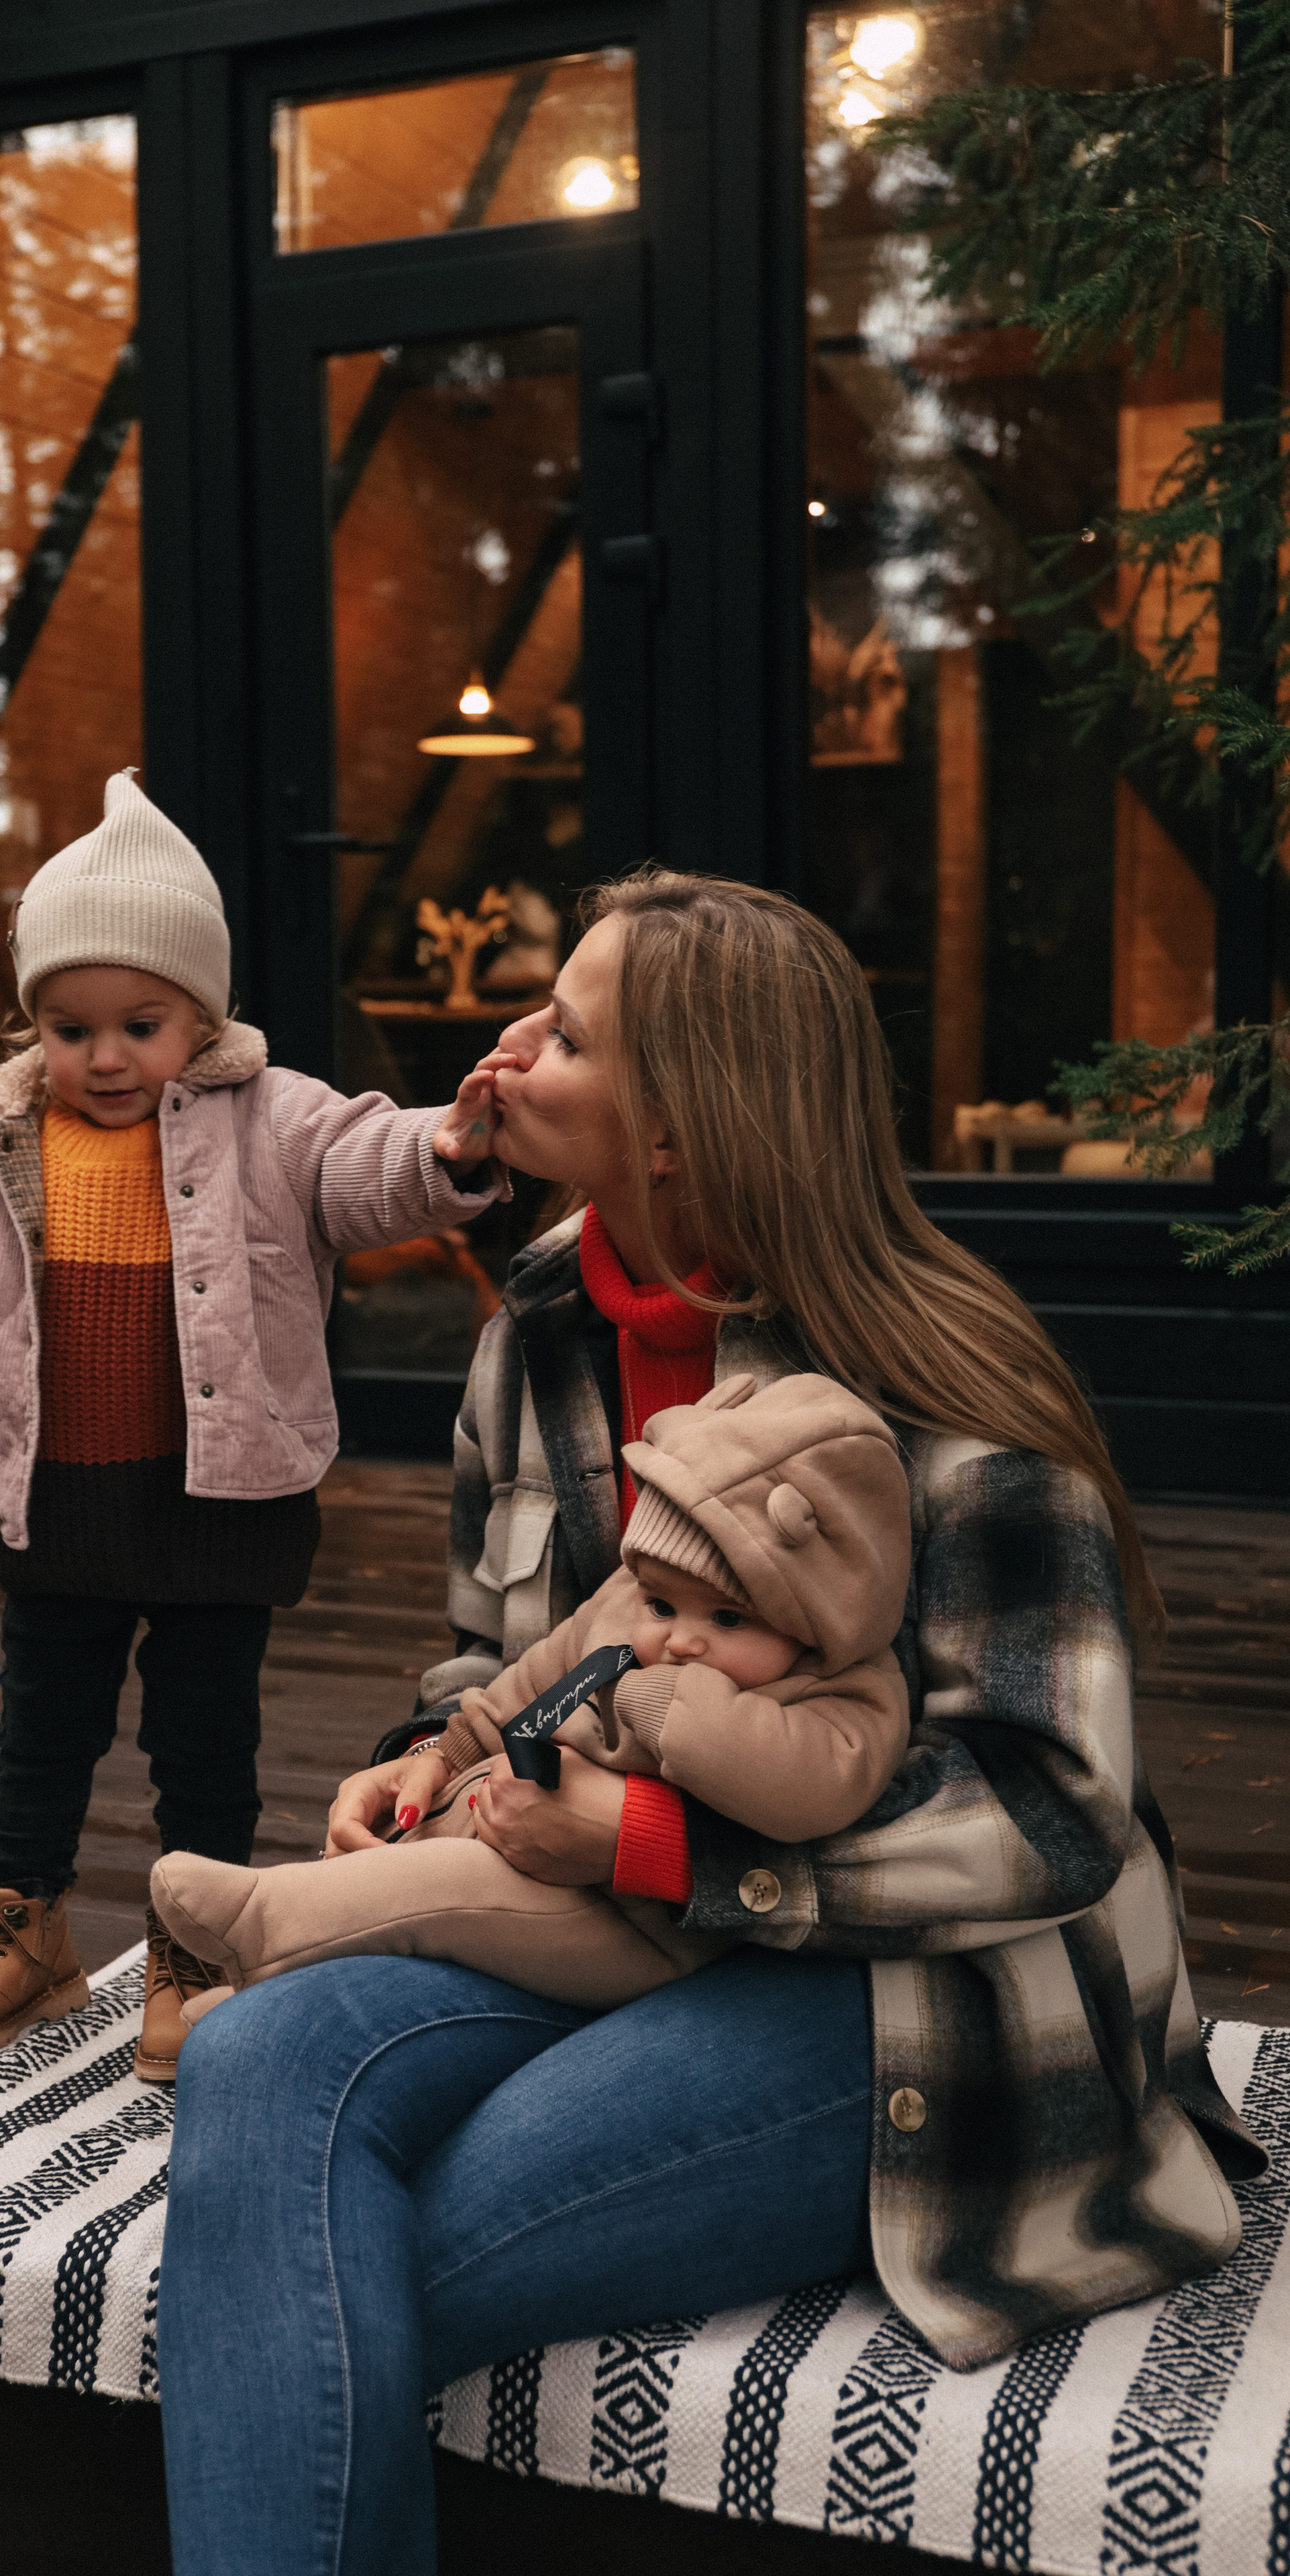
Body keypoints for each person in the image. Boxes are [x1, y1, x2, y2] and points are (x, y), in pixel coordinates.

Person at [154, 869, 1265, 2576]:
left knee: (325, 2255)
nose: (509, 1047)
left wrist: (664, 1843)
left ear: (672, 1128)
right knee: (251, 2057)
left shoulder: (939, 1383)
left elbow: (1051, 1810)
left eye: (568, 1032)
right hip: (588, 1902)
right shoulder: (530, 1327)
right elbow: (493, 1653)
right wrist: (423, 1749)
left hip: (916, 1992)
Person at [0, 771, 502, 2078]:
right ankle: (24, 1929)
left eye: (140, 1023)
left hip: (220, 1494)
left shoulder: (269, 1116)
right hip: (58, 1495)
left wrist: (442, 1152)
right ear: (30, 1022)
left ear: (200, 1013)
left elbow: (365, 1165)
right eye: (68, 1026)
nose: (103, 1056)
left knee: (202, 1731)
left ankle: (197, 1941)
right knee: (40, 1721)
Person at [150, 1368, 912, 2007]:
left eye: (727, 1617)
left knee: (439, 1893)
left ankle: (267, 1918)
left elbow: (807, 1786)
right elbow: (535, 1679)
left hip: (643, 1927)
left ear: (813, 1616)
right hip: (516, 1821)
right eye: (661, 1605)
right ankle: (269, 1983)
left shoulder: (846, 1695)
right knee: (399, 1866)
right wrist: (450, 1751)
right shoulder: (629, 1610)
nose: (681, 1639)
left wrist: (663, 1699)